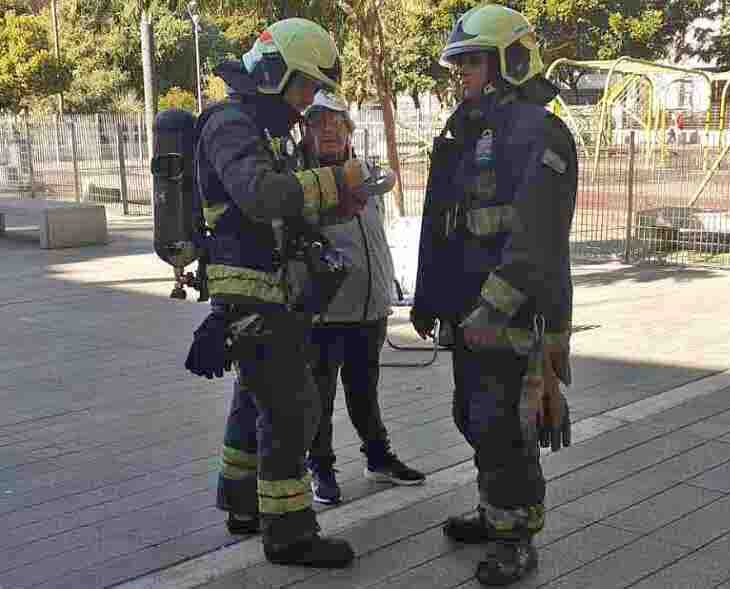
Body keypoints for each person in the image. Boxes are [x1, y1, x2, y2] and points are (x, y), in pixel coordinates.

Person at [184, 18, 370, 569]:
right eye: (305, 87)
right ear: (274, 73)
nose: (307, 102)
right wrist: (338, 179)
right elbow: (263, 196)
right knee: (293, 411)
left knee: (255, 401)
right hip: (252, 293)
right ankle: (289, 532)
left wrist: (338, 203)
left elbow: (283, 209)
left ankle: (241, 503)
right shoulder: (231, 125)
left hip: (268, 291)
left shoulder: (260, 126)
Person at [410, 4, 577, 586]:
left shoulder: (540, 131)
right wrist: (428, 297)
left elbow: (537, 237)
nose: (463, 76)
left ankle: (516, 536)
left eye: (473, 63)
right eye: (460, 65)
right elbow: (442, 219)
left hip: (512, 316)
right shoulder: (467, 129)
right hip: (467, 312)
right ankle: (493, 510)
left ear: (509, 60)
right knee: (473, 416)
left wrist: (493, 306)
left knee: (503, 425)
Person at [301, 91, 426, 505]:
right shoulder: (303, 180)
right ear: (305, 131)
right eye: (320, 124)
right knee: (320, 395)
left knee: (364, 390)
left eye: (338, 123)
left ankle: (377, 457)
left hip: (371, 307)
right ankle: (319, 467)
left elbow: (387, 180)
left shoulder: (363, 173)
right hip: (326, 312)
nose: (330, 130)